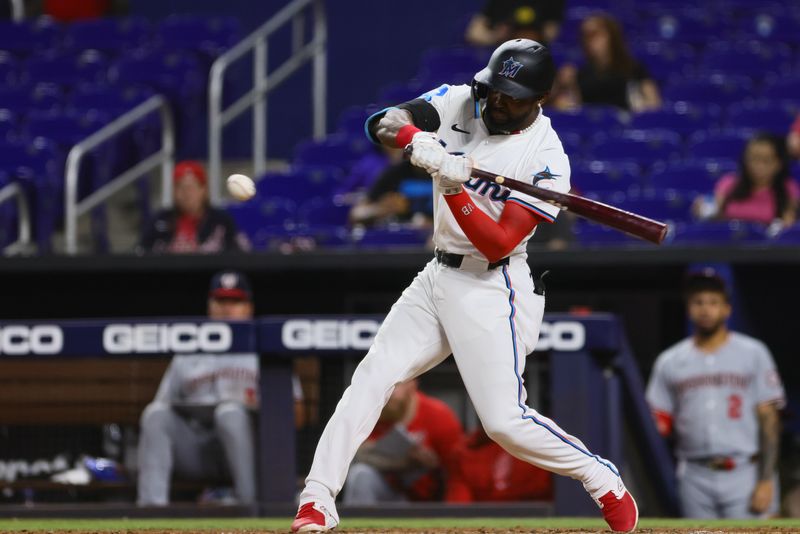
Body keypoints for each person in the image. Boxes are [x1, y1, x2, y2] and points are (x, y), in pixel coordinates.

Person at [291, 39, 638, 533]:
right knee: (372, 376)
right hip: (437, 276)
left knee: (503, 423)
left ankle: (598, 475)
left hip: (495, 286)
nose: (498, 102)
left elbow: (497, 244)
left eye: (513, 97)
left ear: (538, 100)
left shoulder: (547, 159)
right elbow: (380, 122)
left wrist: (454, 190)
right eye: (496, 91)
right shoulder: (459, 100)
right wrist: (416, 138)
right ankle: (317, 498)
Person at [137, 270, 304, 506]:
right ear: (209, 306)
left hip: (250, 452)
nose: (227, 308)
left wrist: (253, 411)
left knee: (230, 414)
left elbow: (296, 415)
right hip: (198, 450)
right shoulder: (189, 348)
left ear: (249, 308)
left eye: (235, 301)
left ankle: (250, 504)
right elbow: (164, 403)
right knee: (155, 415)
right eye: (220, 301)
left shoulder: (264, 347)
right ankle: (150, 512)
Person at [646, 270, 785, 518]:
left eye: (713, 302)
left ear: (727, 309)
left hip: (745, 471)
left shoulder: (753, 352)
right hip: (693, 475)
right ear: (689, 309)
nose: (705, 309)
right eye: (698, 302)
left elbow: (770, 418)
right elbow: (658, 421)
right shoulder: (670, 361)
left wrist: (766, 480)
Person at [342, 380, 464, 504]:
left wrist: (434, 465)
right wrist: (405, 461)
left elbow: (457, 474)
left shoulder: (438, 415)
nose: (388, 393)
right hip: (386, 492)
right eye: (383, 385)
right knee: (360, 474)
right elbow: (355, 455)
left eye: (394, 386)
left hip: (424, 501)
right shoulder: (373, 411)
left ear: (412, 384)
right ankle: (360, 522)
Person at [550, 14, 661, 112]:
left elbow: (653, 103)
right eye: (585, 35)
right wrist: (570, 85)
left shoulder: (632, 68)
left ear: (611, 35)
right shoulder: (580, 73)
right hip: (592, 129)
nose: (589, 40)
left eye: (594, 34)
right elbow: (575, 107)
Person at [139, 161, 251, 254]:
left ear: (203, 190)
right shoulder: (160, 219)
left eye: (191, 187)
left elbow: (241, 253)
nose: (186, 193)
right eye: (180, 187)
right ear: (173, 191)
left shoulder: (221, 220)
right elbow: (140, 253)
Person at [693, 133, 799, 229]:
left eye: (766, 160)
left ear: (779, 163)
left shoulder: (788, 188)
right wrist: (703, 211)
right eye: (753, 159)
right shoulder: (729, 183)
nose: (759, 166)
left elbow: (788, 224)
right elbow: (715, 214)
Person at [448, 425, 553, 502]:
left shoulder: (546, 439)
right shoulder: (464, 451)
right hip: (483, 520)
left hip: (537, 516)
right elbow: (459, 505)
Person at [348, 152, 434, 228]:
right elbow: (356, 214)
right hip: (402, 235)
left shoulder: (444, 172)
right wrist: (383, 208)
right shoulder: (394, 173)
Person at [465, 0, 566, 47]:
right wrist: (495, 36)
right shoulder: (501, 2)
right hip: (505, 55)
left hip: (539, 55)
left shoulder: (551, 2)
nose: (523, 37)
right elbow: (473, 33)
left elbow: (552, 31)